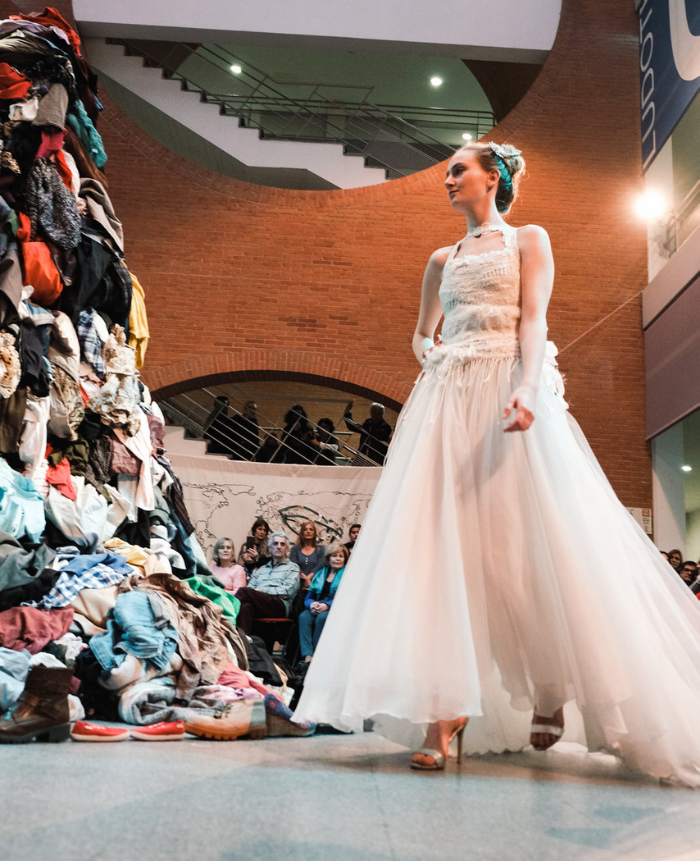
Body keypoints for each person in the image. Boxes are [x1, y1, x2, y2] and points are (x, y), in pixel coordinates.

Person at [293, 139, 700, 785]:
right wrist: (434, 358)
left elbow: (533, 320)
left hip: (510, 391)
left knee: (521, 547)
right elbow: (421, 332)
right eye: (449, 171)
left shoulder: (528, 240)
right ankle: (441, 715)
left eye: (459, 169)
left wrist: (529, 384)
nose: (448, 179)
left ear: (493, 178)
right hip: (448, 403)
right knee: (438, 550)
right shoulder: (441, 257)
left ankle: (548, 681)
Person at [235, 532, 300, 637]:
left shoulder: (293, 567)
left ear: (287, 549)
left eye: (282, 544)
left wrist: (263, 591)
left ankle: (226, 617)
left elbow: (288, 591)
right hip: (260, 605)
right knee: (245, 607)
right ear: (270, 548)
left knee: (243, 591)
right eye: (275, 544)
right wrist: (257, 593)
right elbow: (250, 588)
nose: (279, 547)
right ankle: (244, 644)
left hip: (280, 606)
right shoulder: (261, 569)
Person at [298, 545, 348, 662]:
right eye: (334, 556)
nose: (338, 559)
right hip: (317, 604)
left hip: (335, 606)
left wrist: (327, 605)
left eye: (341, 556)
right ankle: (307, 655)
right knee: (303, 617)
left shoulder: (347, 575)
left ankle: (317, 655)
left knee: (322, 618)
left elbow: (345, 597)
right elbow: (308, 597)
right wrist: (312, 605)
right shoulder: (320, 574)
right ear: (328, 559)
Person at [289, 520, 326, 591]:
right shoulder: (295, 549)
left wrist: (308, 579)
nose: (308, 531)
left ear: (314, 533)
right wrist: (306, 579)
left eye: (311, 529)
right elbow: (293, 566)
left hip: (315, 584)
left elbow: (320, 566)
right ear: (302, 533)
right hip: (297, 586)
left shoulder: (321, 550)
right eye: (305, 529)